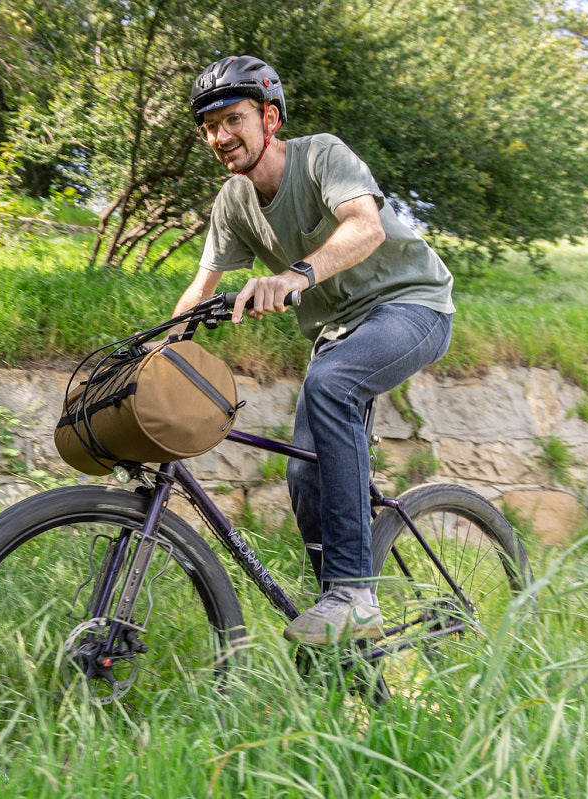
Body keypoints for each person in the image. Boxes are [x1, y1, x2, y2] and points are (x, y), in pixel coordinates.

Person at [174, 55, 455, 645]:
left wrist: (295, 276)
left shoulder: (321, 155)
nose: (219, 137)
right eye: (208, 127)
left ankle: (354, 593)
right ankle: (343, 631)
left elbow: (365, 227)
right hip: (338, 335)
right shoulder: (233, 201)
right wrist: (155, 354)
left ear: (269, 117)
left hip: (413, 307)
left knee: (332, 387)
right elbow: (199, 289)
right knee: (305, 475)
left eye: (232, 119)